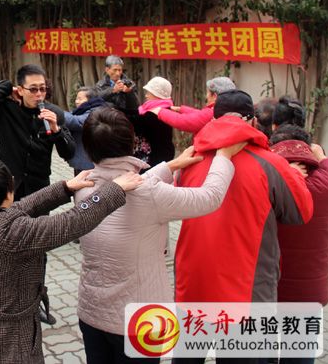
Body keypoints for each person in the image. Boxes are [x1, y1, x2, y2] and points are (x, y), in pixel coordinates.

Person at [75, 107, 244, 364]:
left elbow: (121, 181)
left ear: (88, 149)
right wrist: (224, 155)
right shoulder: (149, 194)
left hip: (91, 314)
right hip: (138, 323)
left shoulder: (83, 185)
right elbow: (209, 197)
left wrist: (171, 166)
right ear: (133, 143)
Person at [0, 155, 143, 364]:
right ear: (8, 191)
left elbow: (18, 208)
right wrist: (114, 189)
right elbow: (72, 222)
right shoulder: (10, 234)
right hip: (5, 346)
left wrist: (65, 188)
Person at [173, 90, 313, 364]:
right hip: (246, 293)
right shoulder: (271, 163)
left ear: (213, 118)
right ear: (252, 121)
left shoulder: (188, 160)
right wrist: (294, 176)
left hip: (193, 283)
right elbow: (301, 212)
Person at [0, 63, 76, 324]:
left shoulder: (53, 112)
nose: (39, 94)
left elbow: (69, 152)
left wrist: (56, 130)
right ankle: (7, 297)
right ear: (19, 90)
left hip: (39, 189)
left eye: (43, 88)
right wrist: (7, 88)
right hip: (9, 189)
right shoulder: (6, 108)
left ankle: (36, 299)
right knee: (6, 243)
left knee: (37, 245)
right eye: (33, 89)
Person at [268, 126, 328, 354]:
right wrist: (323, 158)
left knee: (261, 347)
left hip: (268, 288)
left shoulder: (266, 181)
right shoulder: (326, 181)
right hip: (309, 291)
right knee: (300, 351)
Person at [154, 76, 235, 133]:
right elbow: (200, 115)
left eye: (208, 92)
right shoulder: (230, 110)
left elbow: (183, 121)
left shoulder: (214, 112)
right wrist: (180, 109)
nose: (206, 96)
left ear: (214, 96)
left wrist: (159, 111)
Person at [63, 86, 106, 175]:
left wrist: (57, 113)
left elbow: (77, 122)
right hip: (84, 160)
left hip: (88, 162)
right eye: (76, 98)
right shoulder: (82, 110)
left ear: (90, 100)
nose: (76, 101)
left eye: (80, 99)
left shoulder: (96, 111)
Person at [137, 76, 175, 167]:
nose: (146, 95)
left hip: (157, 159)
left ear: (157, 94)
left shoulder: (157, 112)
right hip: (158, 156)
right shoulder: (159, 108)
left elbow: (137, 122)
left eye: (149, 93)